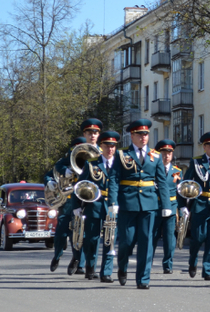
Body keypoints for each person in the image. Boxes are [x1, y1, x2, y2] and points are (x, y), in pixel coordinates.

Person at [107, 119, 172, 289]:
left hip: (149, 205)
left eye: (146, 134)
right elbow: (113, 179)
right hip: (127, 204)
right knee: (126, 242)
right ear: (132, 135)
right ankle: (122, 267)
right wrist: (112, 202)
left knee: (146, 242)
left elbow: (162, 181)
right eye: (140, 134)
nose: (144, 137)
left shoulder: (155, 155)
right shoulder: (122, 155)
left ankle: (143, 279)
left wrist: (166, 205)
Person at [46, 118, 104, 274]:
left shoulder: (102, 151)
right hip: (73, 197)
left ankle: (79, 261)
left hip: (92, 196)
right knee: (63, 231)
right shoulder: (77, 150)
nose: (93, 135)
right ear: (84, 134)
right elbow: (58, 165)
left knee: (86, 233)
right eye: (89, 132)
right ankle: (58, 255)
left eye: (96, 132)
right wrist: (66, 170)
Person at [180, 131, 210, 281]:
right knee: (198, 237)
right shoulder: (196, 162)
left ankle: (208, 270)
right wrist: (183, 206)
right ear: (204, 147)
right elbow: (185, 185)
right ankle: (192, 261)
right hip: (200, 204)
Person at [75, 130, 119, 282]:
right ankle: (90, 267)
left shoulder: (121, 164)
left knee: (110, 239)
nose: (110, 149)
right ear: (101, 146)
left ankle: (106, 272)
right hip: (94, 205)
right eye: (107, 146)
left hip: (113, 206)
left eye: (113, 146)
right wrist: (77, 206)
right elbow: (80, 185)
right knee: (92, 240)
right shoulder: (92, 164)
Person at [152, 139, 182, 274]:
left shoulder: (176, 171)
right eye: (163, 153)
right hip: (155, 206)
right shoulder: (152, 170)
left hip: (171, 207)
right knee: (152, 237)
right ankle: (147, 262)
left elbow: (180, 191)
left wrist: (182, 208)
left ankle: (168, 264)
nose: (166, 156)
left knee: (170, 239)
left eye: (169, 153)